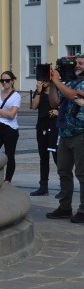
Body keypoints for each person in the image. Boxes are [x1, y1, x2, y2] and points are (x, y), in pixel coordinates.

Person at [46, 55, 84, 222]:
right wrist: (53, 84)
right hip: (65, 133)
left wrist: (58, 83)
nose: (77, 65)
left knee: (82, 174)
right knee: (63, 172)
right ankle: (65, 207)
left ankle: (83, 210)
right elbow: (55, 103)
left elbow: (73, 96)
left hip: (80, 133)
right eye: (76, 63)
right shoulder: (69, 82)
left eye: (81, 63)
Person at [30, 79, 58, 196]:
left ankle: (65, 186)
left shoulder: (57, 91)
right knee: (43, 158)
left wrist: (57, 111)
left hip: (55, 127)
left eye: (45, 79)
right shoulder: (39, 92)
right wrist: (39, 92)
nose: (43, 82)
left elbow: (63, 106)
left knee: (58, 158)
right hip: (42, 127)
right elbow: (34, 106)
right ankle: (43, 186)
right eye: (41, 79)